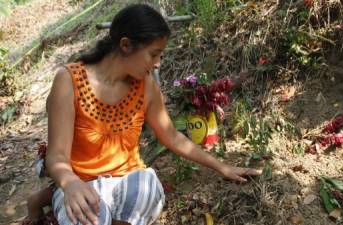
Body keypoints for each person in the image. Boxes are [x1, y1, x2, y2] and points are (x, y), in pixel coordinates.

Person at [30, 3, 261, 225]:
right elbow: (57, 157)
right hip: (81, 184)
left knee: (146, 186)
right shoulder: (69, 81)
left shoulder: (146, 86)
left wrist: (222, 167)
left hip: (128, 180)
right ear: (126, 45)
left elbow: (171, 135)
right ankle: (52, 198)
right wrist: (69, 183)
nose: (158, 64)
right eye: (154, 54)